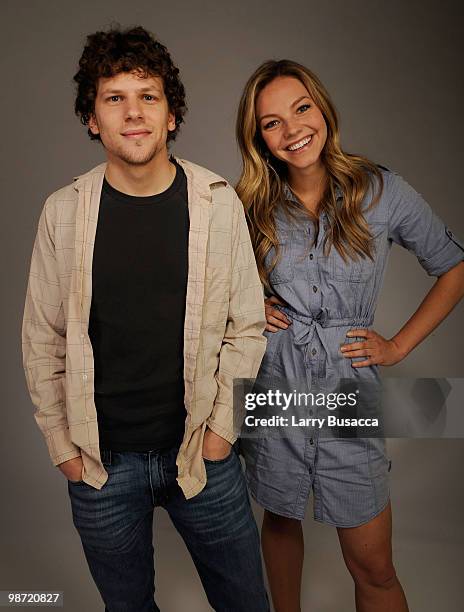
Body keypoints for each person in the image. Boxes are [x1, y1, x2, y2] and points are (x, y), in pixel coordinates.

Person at [21, 26, 270, 612]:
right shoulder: (62, 213)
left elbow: (247, 326)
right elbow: (43, 338)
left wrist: (219, 435)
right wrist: (62, 446)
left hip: (202, 454)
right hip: (101, 466)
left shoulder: (216, 201)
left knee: (247, 604)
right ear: (92, 118)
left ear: (171, 114)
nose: (133, 113)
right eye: (114, 98)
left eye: (148, 96)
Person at [235, 59, 464, 612]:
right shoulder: (249, 204)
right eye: (271, 123)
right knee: (279, 514)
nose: (292, 130)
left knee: (374, 567)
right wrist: (251, 308)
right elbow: (213, 286)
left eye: (301, 109)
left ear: (323, 109)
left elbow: (454, 268)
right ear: (259, 138)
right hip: (278, 380)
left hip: (349, 387)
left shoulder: (383, 191)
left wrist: (398, 346)